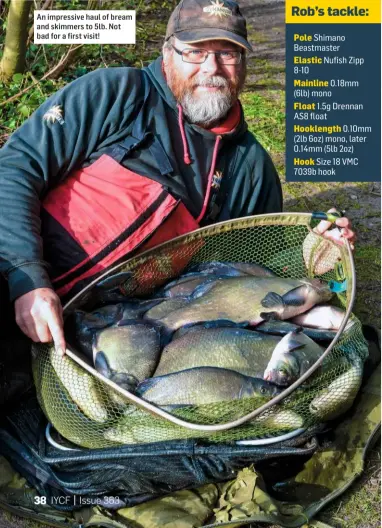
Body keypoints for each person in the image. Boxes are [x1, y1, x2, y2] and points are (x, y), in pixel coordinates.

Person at [0, 0, 354, 372]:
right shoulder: (114, 94)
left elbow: (249, 271)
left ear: (244, 65)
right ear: (168, 53)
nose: (211, 69)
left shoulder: (251, 168)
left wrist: (317, 246)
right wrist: (27, 279)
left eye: (227, 54)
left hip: (110, 340)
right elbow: (15, 170)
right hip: (15, 273)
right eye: (195, 52)